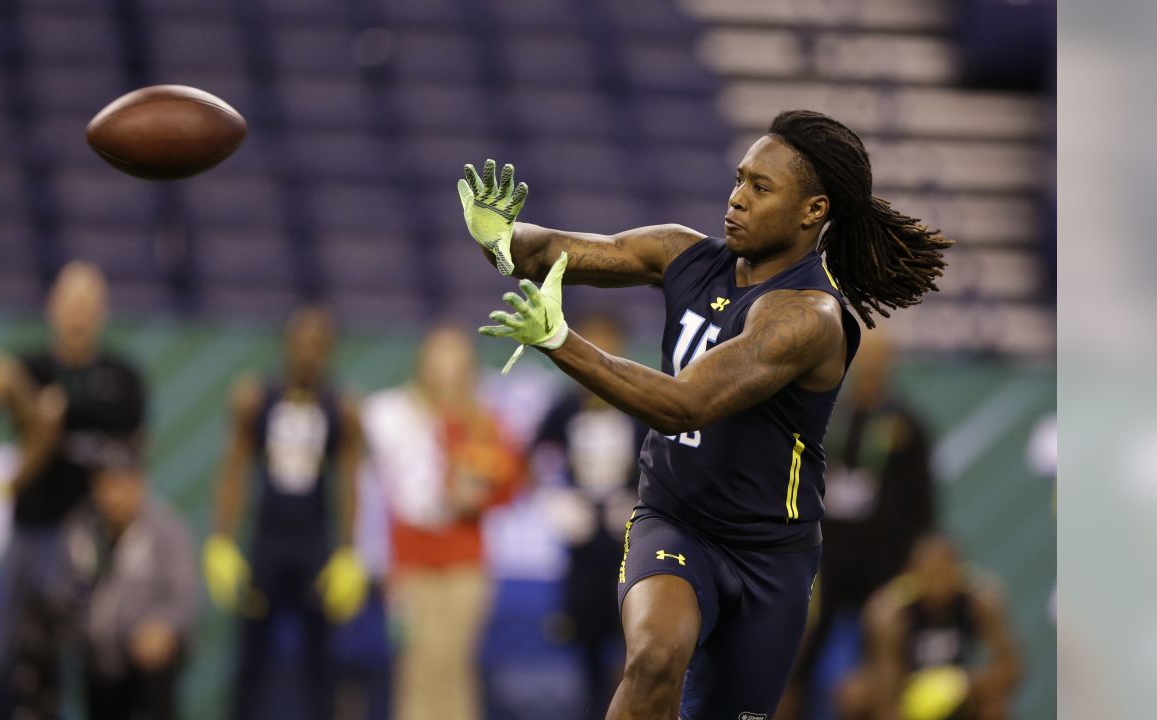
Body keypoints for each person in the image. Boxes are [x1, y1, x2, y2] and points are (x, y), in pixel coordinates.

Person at [457, 109, 953, 719]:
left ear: (813, 211)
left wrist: (562, 342)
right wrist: (500, 239)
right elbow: (553, 254)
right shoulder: (683, 253)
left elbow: (682, 403)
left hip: (771, 557)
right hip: (675, 520)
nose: (736, 198)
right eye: (740, 179)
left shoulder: (808, 317)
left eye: (760, 187)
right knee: (654, 658)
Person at [0, 261, 147, 719]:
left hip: (92, 540)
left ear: (103, 311)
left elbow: (133, 455)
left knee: (93, 659)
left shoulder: (123, 377)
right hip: (30, 528)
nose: (79, 314)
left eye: (89, 304)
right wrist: (38, 414)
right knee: (7, 658)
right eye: (71, 302)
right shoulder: (29, 367)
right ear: (52, 306)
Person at [204, 306, 367, 720]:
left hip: (314, 545)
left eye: (318, 346)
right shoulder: (256, 398)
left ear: (329, 352)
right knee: (250, 659)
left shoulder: (342, 408)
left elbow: (348, 481)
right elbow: (234, 470)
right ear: (287, 346)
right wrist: (221, 540)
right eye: (301, 344)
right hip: (267, 543)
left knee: (322, 664)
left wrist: (349, 550)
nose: (308, 355)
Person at [361, 325, 525, 720]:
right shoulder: (398, 415)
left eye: (453, 355)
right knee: (415, 665)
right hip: (410, 565)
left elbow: (508, 484)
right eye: (438, 354)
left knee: (452, 664)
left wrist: (476, 497)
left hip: (465, 564)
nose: (445, 366)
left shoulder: (484, 423)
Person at [783, 330, 938, 720]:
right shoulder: (827, 414)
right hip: (827, 555)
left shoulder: (907, 426)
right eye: (862, 359)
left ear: (890, 365)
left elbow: (923, 502)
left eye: (878, 360)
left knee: (884, 658)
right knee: (797, 653)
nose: (869, 368)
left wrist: (911, 562)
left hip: (886, 561)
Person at [531, 314, 647, 719]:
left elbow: (666, 457)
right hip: (581, 543)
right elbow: (538, 455)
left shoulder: (641, 403)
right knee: (585, 637)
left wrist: (641, 500)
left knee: (634, 634)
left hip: (629, 540)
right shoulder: (563, 407)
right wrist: (554, 498)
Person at [49, 444, 197, 720]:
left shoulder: (166, 532)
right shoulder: (81, 532)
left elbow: (183, 598)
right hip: (98, 655)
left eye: (120, 485)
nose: (112, 498)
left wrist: (161, 626)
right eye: (105, 486)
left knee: (157, 661)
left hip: (146, 656)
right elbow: (64, 591)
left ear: (137, 485)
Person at [835, 535, 1021, 720]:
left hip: (958, 685)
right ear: (913, 573)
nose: (939, 583)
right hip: (905, 687)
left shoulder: (978, 600)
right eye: (931, 574)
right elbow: (887, 686)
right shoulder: (892, 612)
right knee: (854, 695)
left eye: (944, 572)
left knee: (994, 704)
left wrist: (964, 684)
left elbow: (1012, 666)